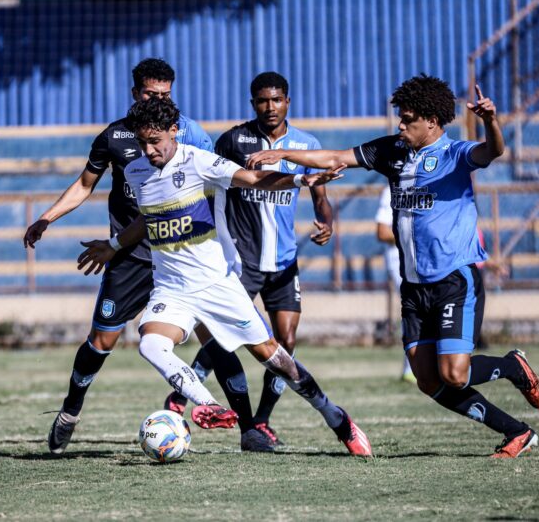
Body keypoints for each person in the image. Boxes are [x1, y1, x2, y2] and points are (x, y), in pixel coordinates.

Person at [246, 74, 539, 458]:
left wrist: (490, 120)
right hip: (413, 287)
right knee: (428, 382)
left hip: (454, 279)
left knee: (454, 374)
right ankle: (516, 432)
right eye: (399, 119)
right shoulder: (393, 151)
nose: (400, 126)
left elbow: (493, 152)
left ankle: (513, 366)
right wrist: (282, 155)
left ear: (432, 123)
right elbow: (336, 158)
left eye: (408, 120)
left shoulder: (455, 154)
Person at [79, 96, 373, 456]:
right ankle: (208, 405)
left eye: (155, 141)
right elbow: (148, 218)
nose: (148, 150)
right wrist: (114, 244)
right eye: (142, 142)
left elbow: (254, 178)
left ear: (174, 132)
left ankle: (337, 419)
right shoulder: (138, 171)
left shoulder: (198, 161)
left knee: (278, 361)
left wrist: (301, 179)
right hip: (171, 289)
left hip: (216, 285)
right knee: (150, 345)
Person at [22, 58, 267, 454]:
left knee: (217, 340)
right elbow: (85, 185)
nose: (159, 101)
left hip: (185, 259)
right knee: (102, 340)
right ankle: (70, 410)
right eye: (151, 94)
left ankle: (249, 428)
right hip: (131, 256)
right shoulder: (114, 137)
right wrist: (46, 218)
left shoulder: (190, 135)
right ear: (135, 93)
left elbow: (214, 187)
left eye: (166, 95)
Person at [163, 72, 335, 447]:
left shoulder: (305, 144)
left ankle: (261, 421)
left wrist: (325, 221)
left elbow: (319, 195)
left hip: (285, 263)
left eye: (276, 100)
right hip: (242, 262)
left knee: (285, 343)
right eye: (261, 101)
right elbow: (209, 185)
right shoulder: (234, 141)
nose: (269, 107)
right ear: (252, 103)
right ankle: (179, 398)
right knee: (226, 338)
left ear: (288, 101)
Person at [375, 185, 416, 382]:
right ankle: (411, 368)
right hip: (401, 260)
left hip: (424, 257)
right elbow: (382, 232)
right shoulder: (390, 189)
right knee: (415, 310)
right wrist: (416, 234)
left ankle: (418, 365)